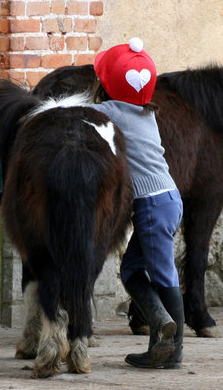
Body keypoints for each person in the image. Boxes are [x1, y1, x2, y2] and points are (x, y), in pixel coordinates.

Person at [90, 37, 184, 369]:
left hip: (152, 205)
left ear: (108, 86)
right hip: (168, 199)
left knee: (161, 274)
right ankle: (160, 330)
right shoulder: (146, 112)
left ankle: (172, 351)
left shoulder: (111, 110)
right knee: (132, 269)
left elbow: (76, 113)